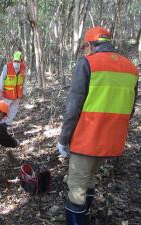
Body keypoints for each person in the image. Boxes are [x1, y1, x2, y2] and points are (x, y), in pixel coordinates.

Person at [57, 26, 139, 225]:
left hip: (87, 138)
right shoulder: (131, 68)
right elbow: (130, 109)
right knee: (90, 179)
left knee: (76, 188)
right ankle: (85, 217)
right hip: (111, 141)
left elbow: (73, 106)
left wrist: (63, 138)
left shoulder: (88, 63)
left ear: (90, 45)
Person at [0, 51, 28, 125]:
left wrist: (24, 92)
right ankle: (0, 126)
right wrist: (0, 91)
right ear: (21, 58)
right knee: (5, 113)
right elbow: (2, 79)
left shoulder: (23, 67)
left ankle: (5, 126)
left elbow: (24, 80)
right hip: (7, 96)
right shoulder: (7, 67)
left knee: (12, 113)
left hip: (16, 96)